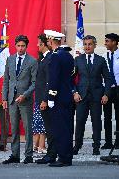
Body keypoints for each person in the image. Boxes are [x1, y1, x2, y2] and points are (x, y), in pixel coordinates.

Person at [72, 35, 111, 155]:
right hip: (81, 96)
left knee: (96, 122)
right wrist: (75, 92)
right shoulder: (78, 59)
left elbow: (108, 79)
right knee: (79, 121)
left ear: (94, 45)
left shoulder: (101, 60)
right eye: (85, 44)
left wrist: (106, 94)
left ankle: (96, 147)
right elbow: (71, 79)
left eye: (90, 44)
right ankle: (77, 146)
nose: (87, 46)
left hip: (96, 96)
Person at [2, 35, 38, 164]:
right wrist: (4, 98)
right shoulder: (10, 59)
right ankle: (15, 155)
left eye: (23, 46)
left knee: (28, 128)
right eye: (18, 46)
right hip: (12, 100)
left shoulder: (32, 61)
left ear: (26, 47)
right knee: (14, 128)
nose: (20, 48)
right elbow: (6, 80)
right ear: (15, 46)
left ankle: (28, 155)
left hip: (25, 100)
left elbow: (34, 83)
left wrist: (25, 95)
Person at [44, 30, 74, 167]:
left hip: (58, 98)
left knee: (60, 128)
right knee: (67, 128)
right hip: (67, 96)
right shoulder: (68, 56)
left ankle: (63, 158)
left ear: (51, 41)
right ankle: (67, 156)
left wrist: (51, 96)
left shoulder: (55, 57)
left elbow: (54, 79)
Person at [32, 34, 52, 156]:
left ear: (44, 44)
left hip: (44, 97)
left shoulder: (49, 58)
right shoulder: (42, 58)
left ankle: (41, 145)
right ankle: (37, 145)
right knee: (38, 122)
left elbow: (48, 81)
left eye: (39, 43)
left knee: (43, 123)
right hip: (38, 96)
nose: (37, 45)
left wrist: (45, 99)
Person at [101, 33, 119, 149]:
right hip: (107, 89)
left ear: (114, 42)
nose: (105, 43)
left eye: (107, 41)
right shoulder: (104, 56)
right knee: (107, 116)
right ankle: (108, 142)